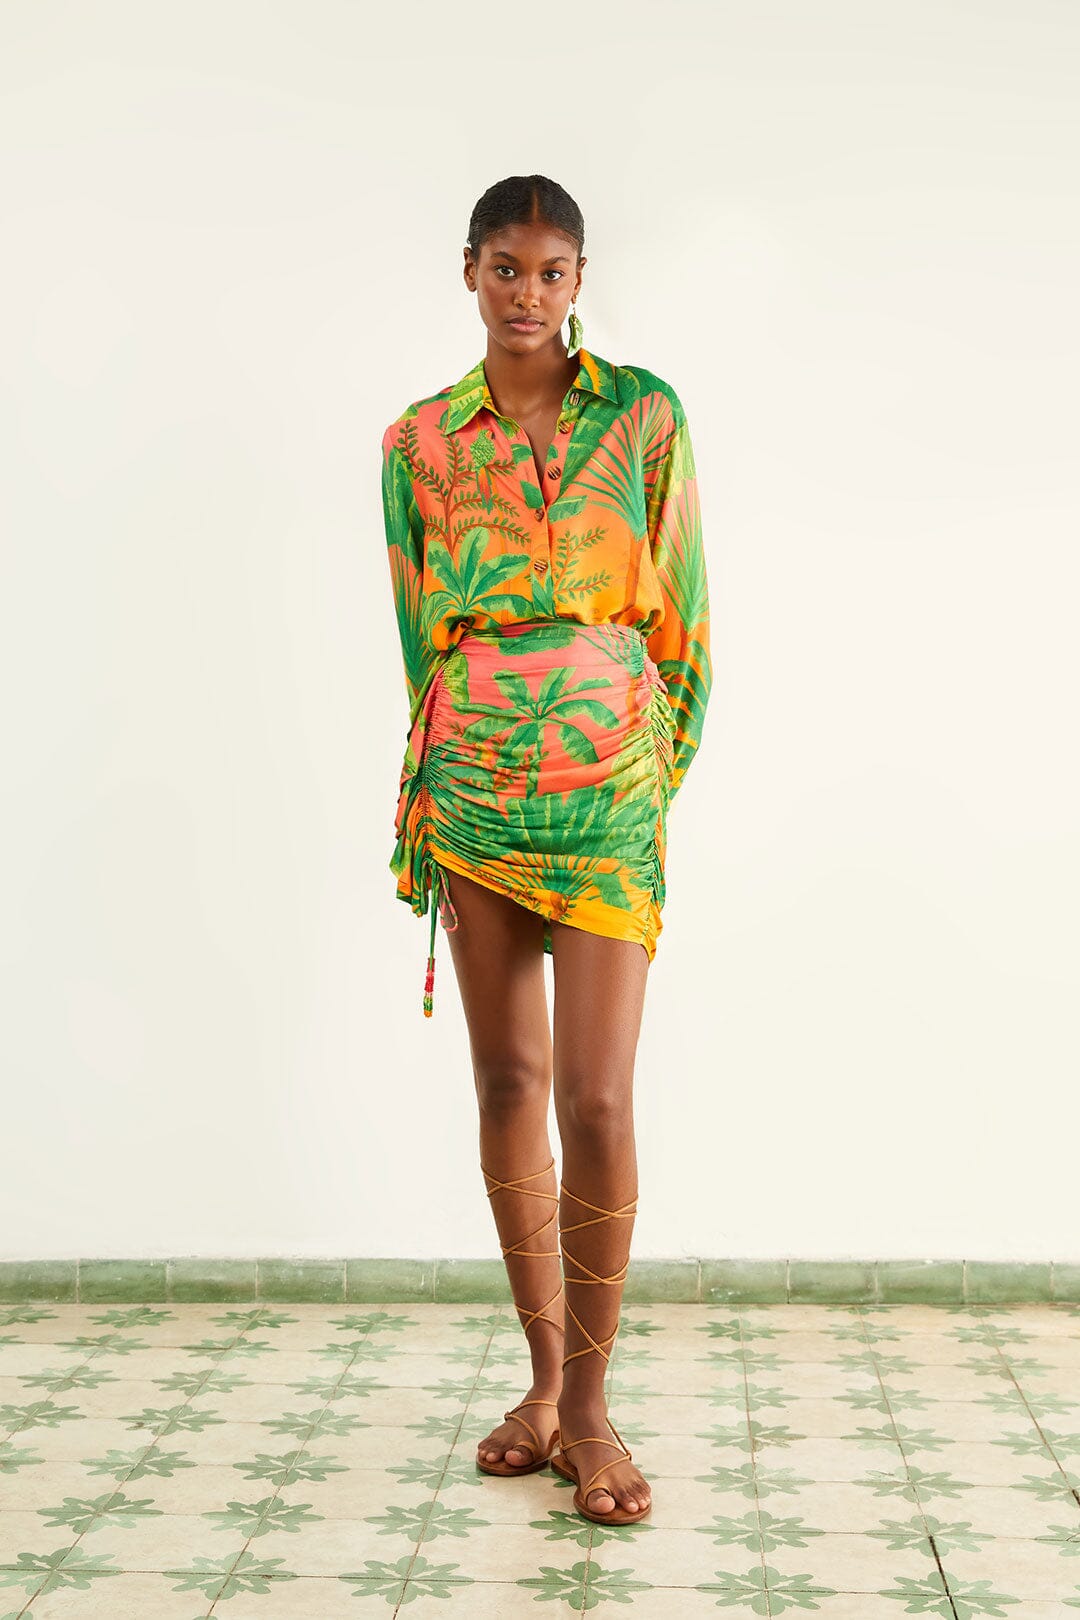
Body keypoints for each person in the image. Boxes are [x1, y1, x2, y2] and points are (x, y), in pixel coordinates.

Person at [380, 175, 711, 1526]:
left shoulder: (643, 416)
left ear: (581, 280)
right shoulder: (418, 441)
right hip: (475, 791)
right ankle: (545, 1387)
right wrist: (444, 769)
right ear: (469, 271)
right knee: (509, 1078)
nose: (528, 293)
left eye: (552, 270)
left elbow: (685, 616)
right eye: (506, 268)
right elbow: (417, 631)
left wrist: (644, 767)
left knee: (598, 1101)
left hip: (606, 791)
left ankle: (591, 1406)